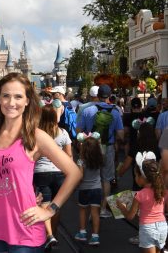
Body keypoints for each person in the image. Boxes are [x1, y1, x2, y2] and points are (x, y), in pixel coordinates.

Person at [0, 72, 81, 252]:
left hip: (24, 231)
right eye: (6, 96)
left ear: (27, 101)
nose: (12, 102)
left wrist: (50, 210)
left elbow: (74, 173)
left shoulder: (35, 136)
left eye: (18, 96)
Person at [76, 83, 124, 218]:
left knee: (91, 178)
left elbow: (78, 131)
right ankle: (102, 209)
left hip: (91, 148)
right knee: (106, 179)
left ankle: (90, 207)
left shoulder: (87, 111)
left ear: (97, 96)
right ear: (109, 96)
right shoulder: (115, 111)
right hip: (108, 147)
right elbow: (120, 134)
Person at [33, 105, 72, 250]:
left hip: (40, 173)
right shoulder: (62, 133)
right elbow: (69, 156)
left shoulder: (36, 134)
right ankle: (53, 233)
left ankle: (48, 235)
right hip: (59, 173)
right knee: (56, 206)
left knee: (43, 206)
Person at [117, 152, 167, 252]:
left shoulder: (140, 195)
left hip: (147, 229)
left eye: (136, 175)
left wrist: (121, 206)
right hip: (163, 227)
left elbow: (130, 216)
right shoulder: (163, 191)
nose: (135, 178)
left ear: (142, 177)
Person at [74, 133, 104, 246]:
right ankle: (95, 236)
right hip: (97, 188)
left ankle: (82, 232)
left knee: (82, 210)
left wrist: (75, 185)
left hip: (84, 189)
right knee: (95, 212)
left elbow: (80, 176)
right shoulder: (99, 160)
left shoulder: (81, 161)